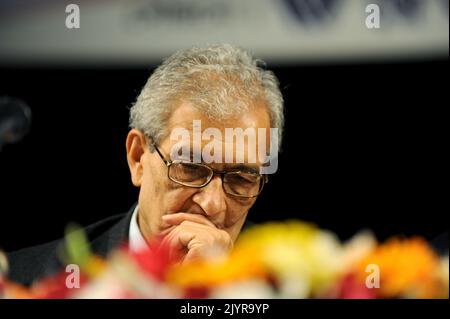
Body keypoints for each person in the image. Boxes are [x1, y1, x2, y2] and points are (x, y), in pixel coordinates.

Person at [6, 44, 285, 286]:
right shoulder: (26, 281)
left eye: (241, 178)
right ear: (138, 157)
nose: (213, 205)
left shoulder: (296, 284)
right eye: (190, 167)